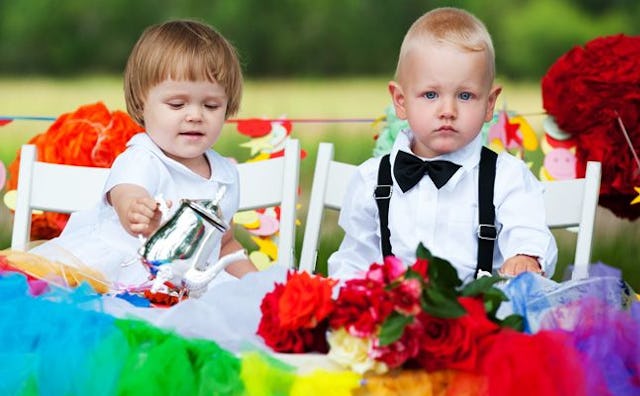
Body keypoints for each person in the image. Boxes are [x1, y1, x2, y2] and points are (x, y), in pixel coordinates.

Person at [328, 7, 557, 283]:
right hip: (395, 317)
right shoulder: (371, 180)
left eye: (465, 95)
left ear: (489, 104)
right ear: (401, 101)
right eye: (430, 94)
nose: (447, 110)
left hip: (478, 317)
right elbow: (354, 260)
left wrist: (525, 256)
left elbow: (528, 229)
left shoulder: (507, 178)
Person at [31, 19, 257, 289]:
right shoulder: (143, 157)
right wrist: (134, 209)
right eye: (177, 104)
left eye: (211, 105)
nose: (195, 115)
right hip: (120, 275)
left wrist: (258, 285)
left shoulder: (225, 175)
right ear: (141, 103)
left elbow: (224, 244)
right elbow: (125, 194)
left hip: (186, 287)